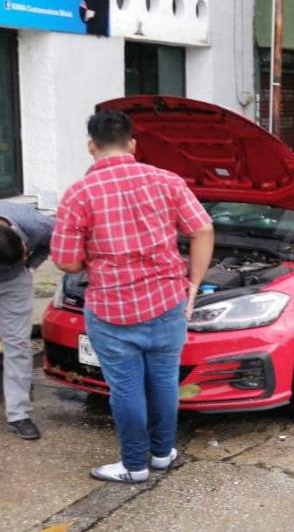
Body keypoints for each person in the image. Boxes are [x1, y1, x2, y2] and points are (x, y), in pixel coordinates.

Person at [51, 110, 214, 483]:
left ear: (91, 146)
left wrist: (89, 260)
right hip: (167, 302)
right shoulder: (167, 181)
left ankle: (134, 465)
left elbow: (66, 262)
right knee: (163, 382)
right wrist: (192, 284)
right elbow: (203, 228)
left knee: (125, 389)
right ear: (133, 144)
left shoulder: (79, 193)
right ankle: (161, 453)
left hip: (111, 310)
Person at [0, 203, 54, 440]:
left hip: (15, 283)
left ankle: (19, 414)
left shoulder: (37, 224)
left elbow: (53, 243)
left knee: (18, 346)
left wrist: (30, 266)